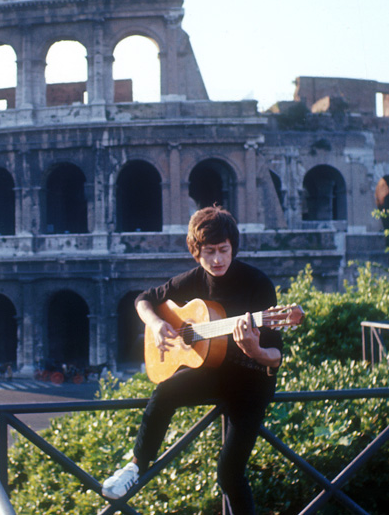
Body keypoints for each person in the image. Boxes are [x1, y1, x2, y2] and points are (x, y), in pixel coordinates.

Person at [101, 205, 283, 514]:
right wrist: (157, 324)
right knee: (164, 392)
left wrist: (255, 350)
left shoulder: (257, 284)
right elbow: (143, 300)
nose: (217, 259)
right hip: (211, 373)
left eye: (223, 250)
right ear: (196, 253)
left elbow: (276, 357)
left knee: (229, 473)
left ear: (233, 248)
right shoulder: (195, 279)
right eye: (209, 252)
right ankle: (135, 467)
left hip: (250, 382)